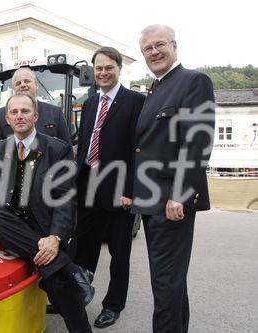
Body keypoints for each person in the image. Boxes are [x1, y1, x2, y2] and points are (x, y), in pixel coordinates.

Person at [0, 93, 94, 333]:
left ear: (36, 116)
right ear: (7, 120)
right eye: (14, 112)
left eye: (25, 111)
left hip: (47, 227)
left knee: (57, 284)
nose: (20, 116)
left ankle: (64, 275)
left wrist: (55, 238)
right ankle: (70, 269)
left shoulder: (58, 149)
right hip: (15, 228)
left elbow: (65, 199)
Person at [132, 24, 215, 333]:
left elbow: (197, 142)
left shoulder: (193, 81)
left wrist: (180, 193)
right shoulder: (156, 88)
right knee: (169, 280)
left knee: (166, 282)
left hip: (172, 200)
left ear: (174, 45)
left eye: (159, 45)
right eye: (147, 49)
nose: (153, 52)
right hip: (153, 200)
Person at [74, 47, 145, 328]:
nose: (103, 73)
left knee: (119, 253)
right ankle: (78, 293)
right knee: (83, 248)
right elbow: (84, 145)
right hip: (88, 187)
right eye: (99, 68)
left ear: (119, 68)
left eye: (108, 67)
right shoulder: (90, 103)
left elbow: (138, 150)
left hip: (119, 191)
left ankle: (113, 305)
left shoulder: (135, 101)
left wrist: (131, 191)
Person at [0, 67, 71, 148]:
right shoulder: (1, 114)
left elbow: (67, 150)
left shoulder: (55, 113)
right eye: (18, 83)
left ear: (36, 85)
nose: (23, 85)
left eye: (27, 81)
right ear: (14, 89)